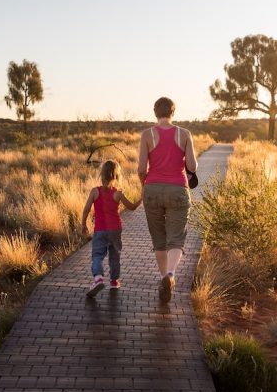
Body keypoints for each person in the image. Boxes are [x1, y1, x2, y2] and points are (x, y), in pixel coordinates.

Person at [138, 96, 198, 303]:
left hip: (152, 189)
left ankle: (163, 276)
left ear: (155, 112)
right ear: (173, 112)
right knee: (176, 238)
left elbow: (140, 169)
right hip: (177, 190)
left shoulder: (147, 135)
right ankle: (171, 275)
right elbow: (192, 166)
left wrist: (144, 185)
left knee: (159, 238)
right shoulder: (184, 134)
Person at [80, 159, 141, 297]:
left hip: (101, 229)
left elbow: (86, 209)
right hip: (115, 229)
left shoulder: (95, 191)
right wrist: (140, 199)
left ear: (102, 174)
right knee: (115, 255)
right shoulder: (118, 193)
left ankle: (98, 278)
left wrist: (83, 224)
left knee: (97, 255)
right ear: (116, 176)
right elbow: (131, 207)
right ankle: (114, 281)